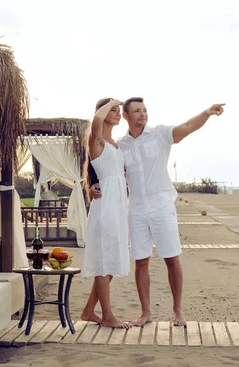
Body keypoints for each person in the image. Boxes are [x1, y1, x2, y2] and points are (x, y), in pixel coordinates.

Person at [90, 97, 225, 326]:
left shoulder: (161, 134)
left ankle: (178, 311)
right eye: (137, 111)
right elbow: (105, 165)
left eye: (145, 110)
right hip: (137, 210)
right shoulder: (121, 145)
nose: (143, 114)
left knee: (171, 258)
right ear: (126, 116)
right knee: (141, 262)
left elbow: (188, 127)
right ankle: (145, 313)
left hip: (162, 206)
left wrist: (207, 113)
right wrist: (93, 185)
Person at [80, 98, 132, 329]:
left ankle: (89, 311)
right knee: (104, 261)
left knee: (110, 260)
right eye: (113, 109)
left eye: (118, 110)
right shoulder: (97, 140)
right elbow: (97, 120)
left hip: (119, 205)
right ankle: (108, 316)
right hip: (106, 207)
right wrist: (110, 102)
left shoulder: (117, 144)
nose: (117, 112)